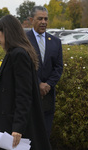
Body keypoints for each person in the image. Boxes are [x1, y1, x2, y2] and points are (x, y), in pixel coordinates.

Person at [0, 14, 52, 150]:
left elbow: (23, 94)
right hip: (10, 123)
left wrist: (17, 127)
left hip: (14, 126)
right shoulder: (15, 53)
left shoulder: (18, 55)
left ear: (7, 33)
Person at [26, 6, 63, 137]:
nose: (43, 22)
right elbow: (23, 68)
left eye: (46, 19)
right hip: (28, 96)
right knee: (29, 136)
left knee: (44, 135)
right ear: (31, 20)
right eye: (40, 18)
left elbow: (58, 67)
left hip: (47, 97)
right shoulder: (23, 40)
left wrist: (48, 85)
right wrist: (38, 83)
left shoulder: (56, 42)